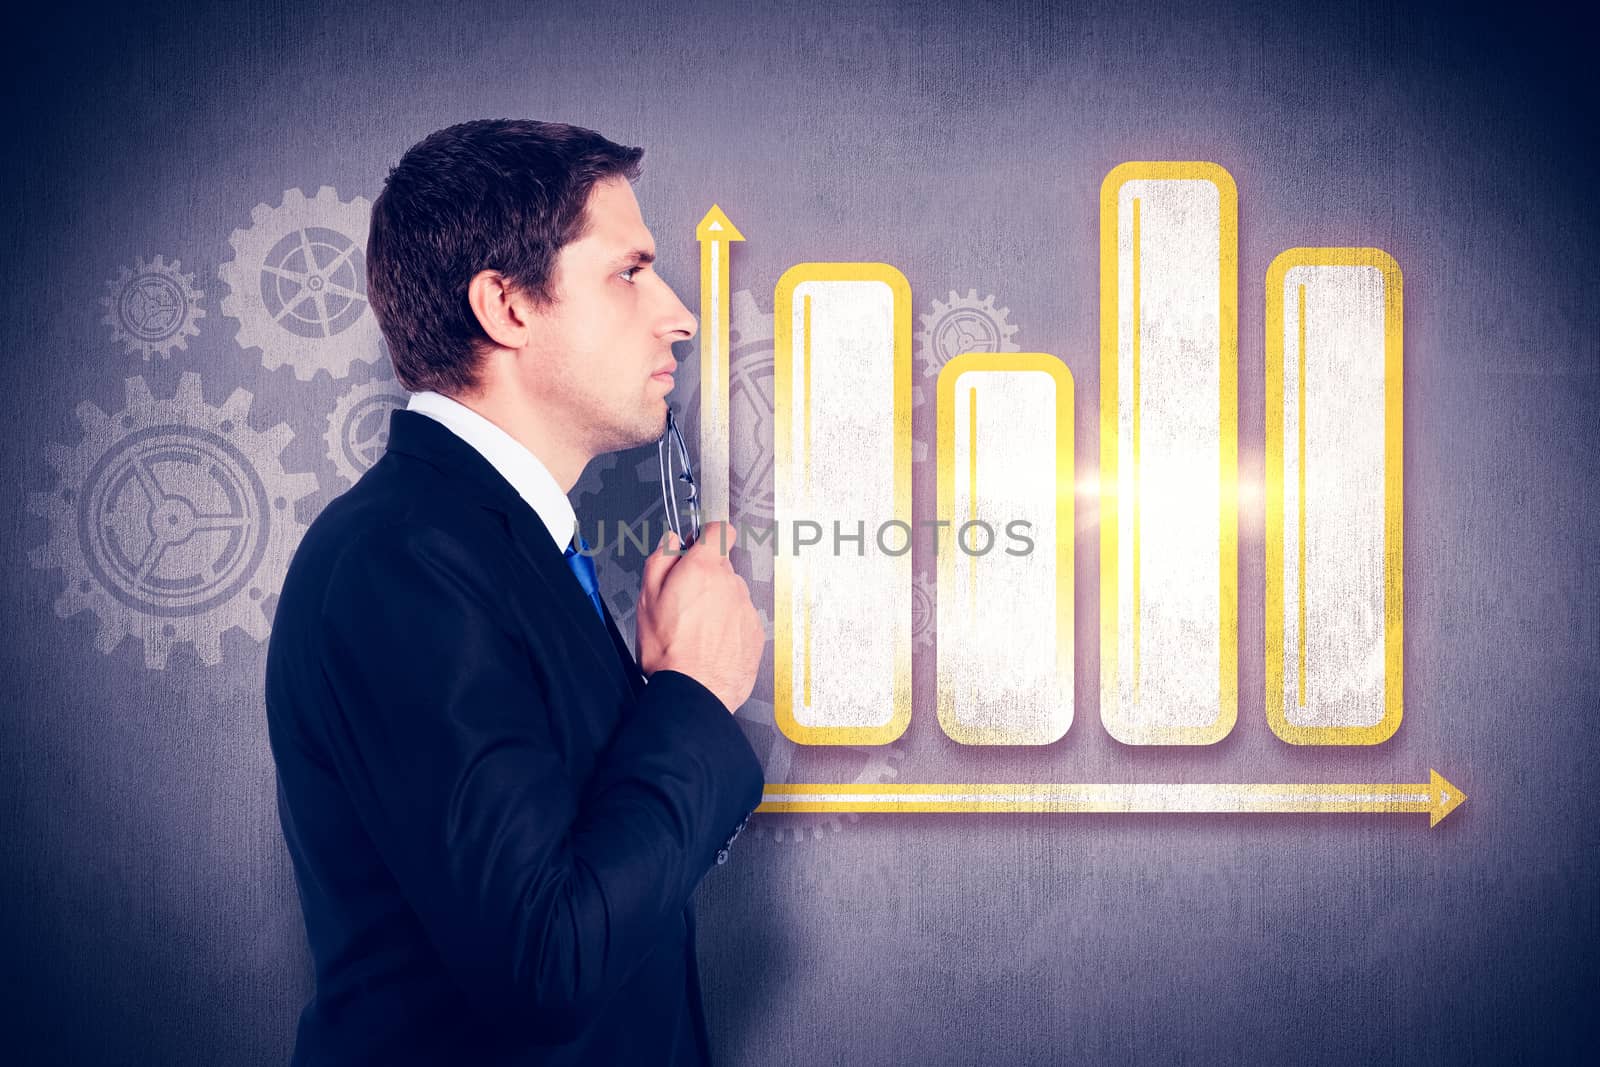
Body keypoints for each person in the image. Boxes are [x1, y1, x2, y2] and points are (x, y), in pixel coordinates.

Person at [264, 119, 768, 1065]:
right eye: (629, 272)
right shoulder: (402, 559)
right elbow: (550, 957)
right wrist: (693, 698)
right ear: (506, 304)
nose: (680, 316)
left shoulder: (494, 546)